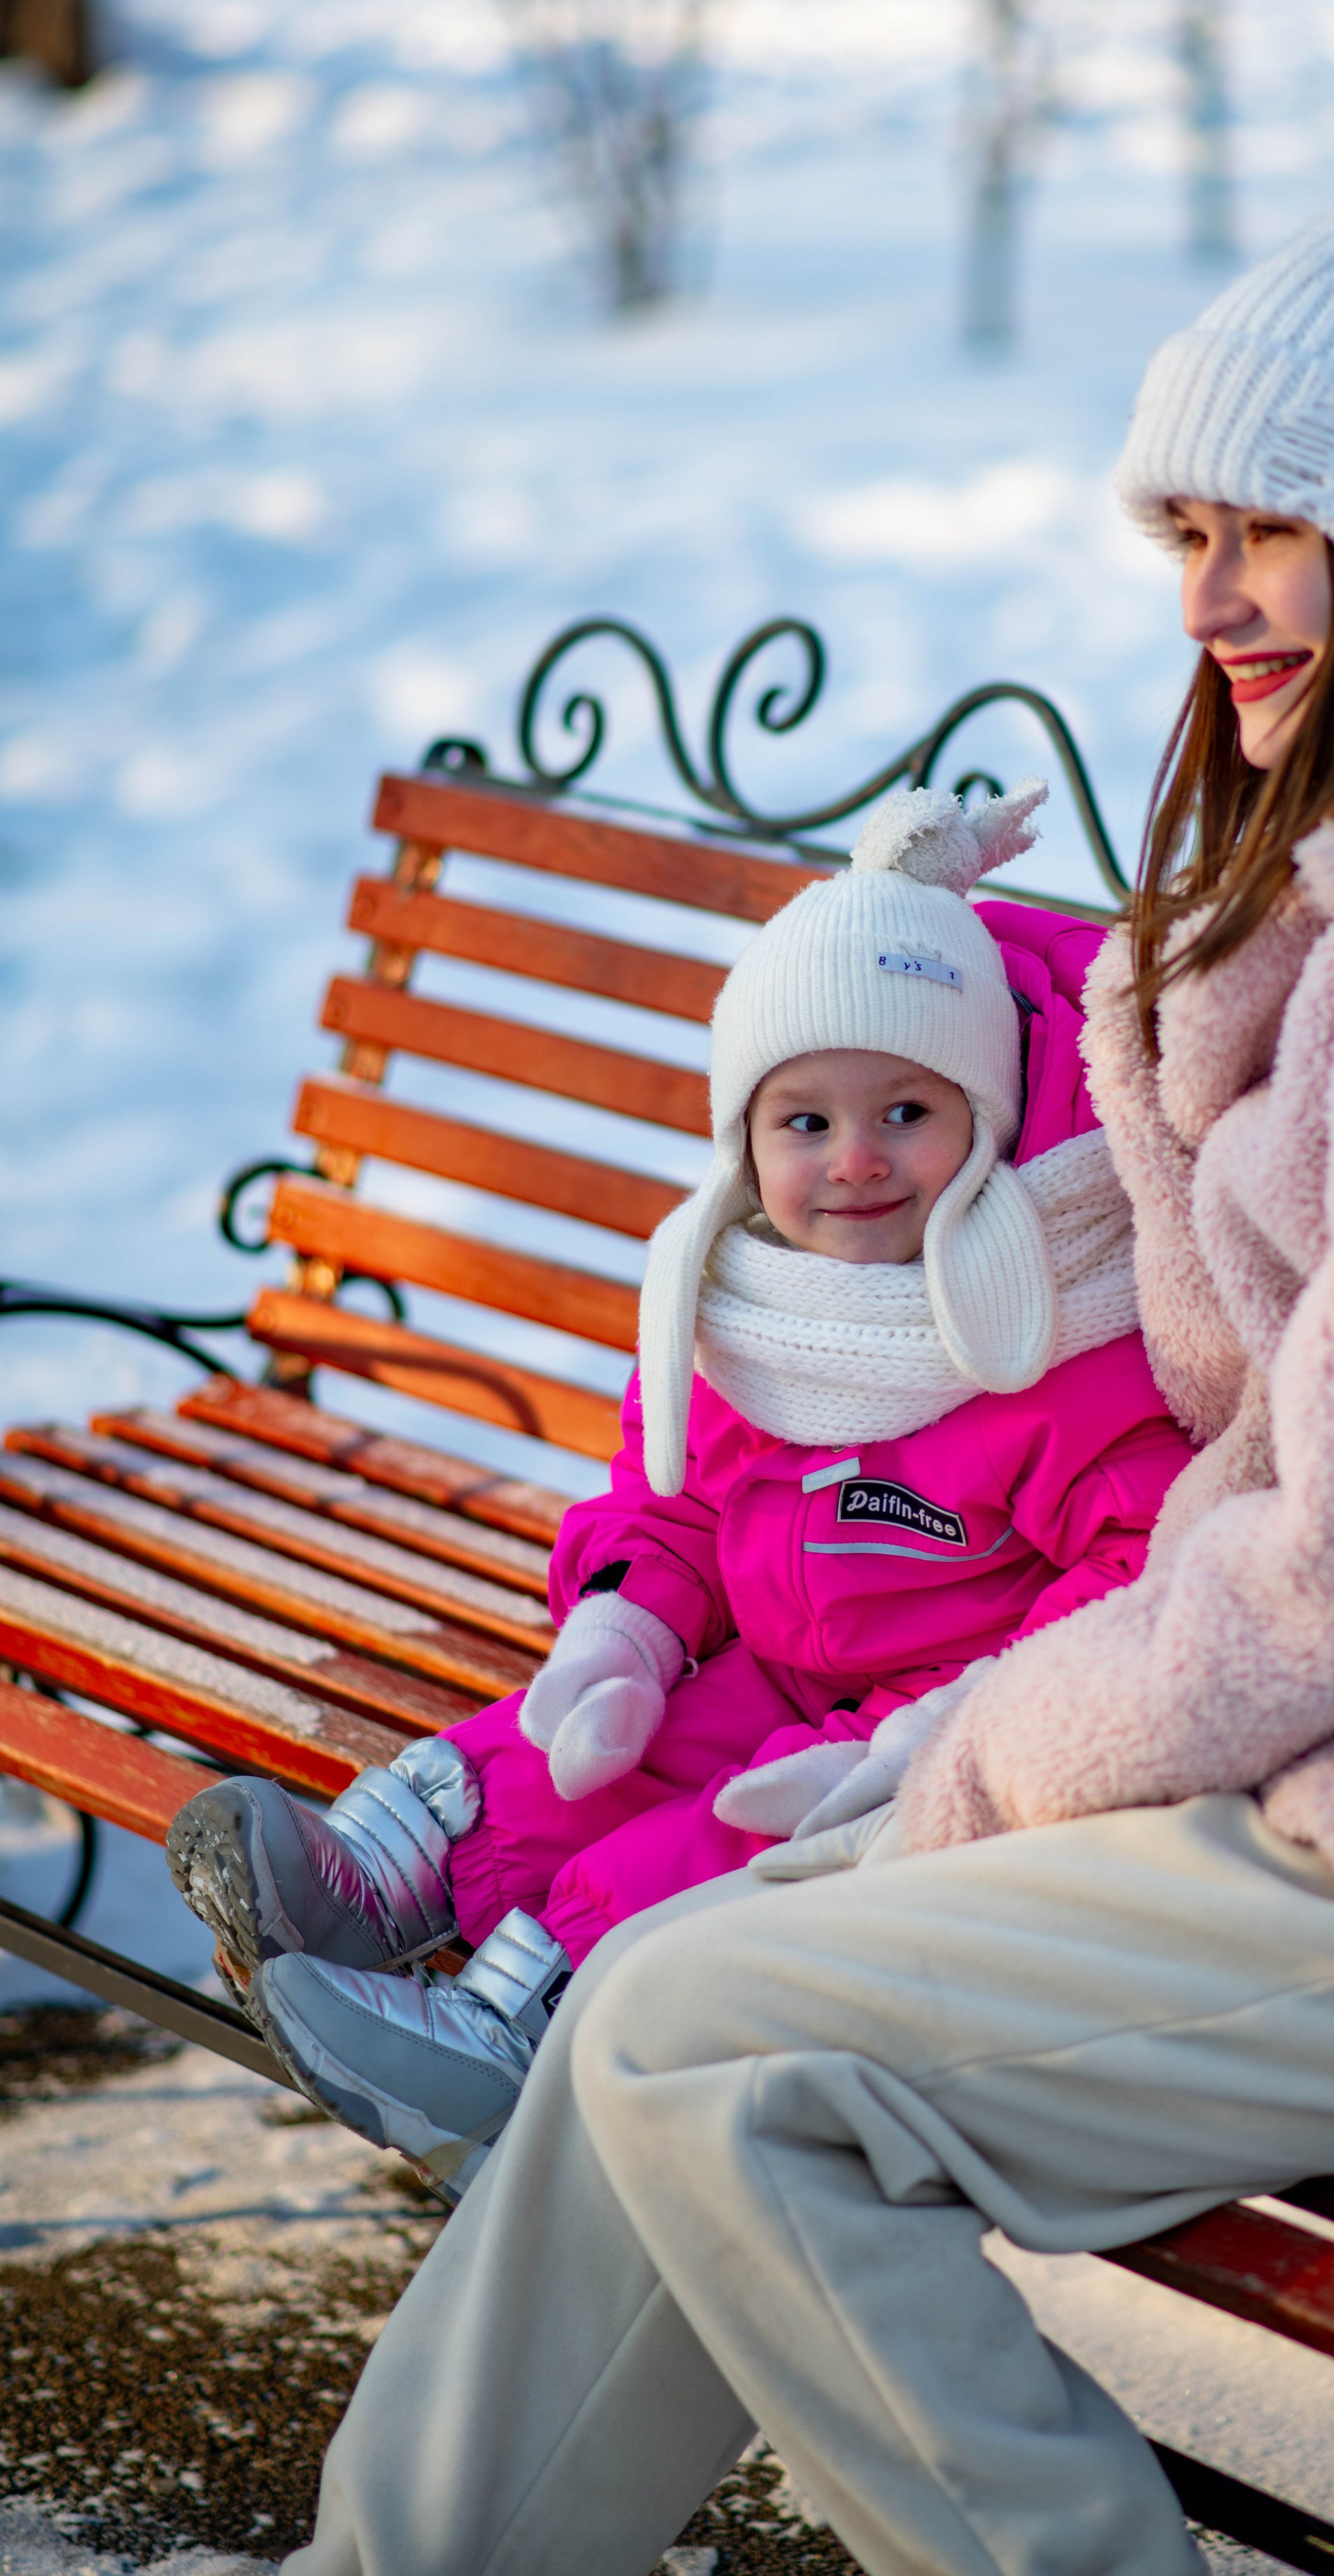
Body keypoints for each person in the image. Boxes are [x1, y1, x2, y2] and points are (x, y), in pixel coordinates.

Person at [282, 61, 1334, 2576]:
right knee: (660, 2003)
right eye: (1190, 528)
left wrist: (986, 1744)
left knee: (723, 2051)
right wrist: (1149, 1023)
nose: (1204, 597)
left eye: (1265, 531)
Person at [166, 780, 1192, 2198]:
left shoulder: (1052, 1340)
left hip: (922, 1713)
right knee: (603, 1738)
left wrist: (949, 1732)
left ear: (991, 1120)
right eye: (807, 1124)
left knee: (723, 1829)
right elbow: (678, 1502)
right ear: (746, 1145)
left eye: (907, 1111)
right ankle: (380, 1881)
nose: (858, 1162)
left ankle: (513, 2020)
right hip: (768, 1654)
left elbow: (1143, 1562)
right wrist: (625, 1627)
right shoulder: (743, 1304)